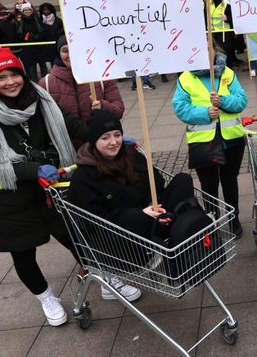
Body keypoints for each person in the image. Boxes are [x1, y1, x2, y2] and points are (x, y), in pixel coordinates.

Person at [0, 39, 95, 326]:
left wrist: (105, 138)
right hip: (7, 197)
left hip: (49, 189)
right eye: (2, 77)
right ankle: (46, 297)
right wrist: (32, 169)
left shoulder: (42, 100)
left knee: (77, 235)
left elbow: (71, 124)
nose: (11, 82)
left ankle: (103, 273)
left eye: (15, 74)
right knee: (23, 253)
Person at [68, 110, 195, 296]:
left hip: (154, 223)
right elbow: (94, 222)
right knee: (136, 216)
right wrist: (142, 214)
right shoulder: (84, 177)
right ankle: (167, 241)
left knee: (183, 180)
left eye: (117, 135)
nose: (113, 142)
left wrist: (157, 206)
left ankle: (180, 234)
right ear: (94, 141)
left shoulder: (133, 157)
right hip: (123, 240)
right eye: (105, 137)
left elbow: (158, 185)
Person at [173, 52, 248, 237]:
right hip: (203, 141)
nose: (206, 53)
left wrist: (223, 101)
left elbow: (241, 100)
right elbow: (180, 108)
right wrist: (205, 113)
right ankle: (212, 222)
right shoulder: (186, 77)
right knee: (209, 185)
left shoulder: (227, 73)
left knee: (230, 181)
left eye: (209, 48)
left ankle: (233, 218)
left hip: (232, 140)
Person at [42, 36, 124, 142]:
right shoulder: (47, 83)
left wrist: (103, 106)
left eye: (74, 49)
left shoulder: (102, 77)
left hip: (100, 149)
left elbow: (119, 111)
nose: (70, 55)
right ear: (59, 53)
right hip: (67, 151)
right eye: (65, 50)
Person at [16, 3, 49, 81]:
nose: (27, 11)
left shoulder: (37, 19)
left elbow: (44, 31)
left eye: (29, 10)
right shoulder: (20, 22)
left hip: (39, 47)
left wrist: (37, 37)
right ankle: (35, 84)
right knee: (32, 68)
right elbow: (18, 34)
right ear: (22, 12)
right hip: (28, 48)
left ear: (31, 11)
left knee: (43, 66)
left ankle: (45, 82)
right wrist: (27, 37)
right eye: (25, 10)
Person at [209, 0, 239, 68]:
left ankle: (230, 71)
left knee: (227, 54)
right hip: (214, 34)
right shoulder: (209, 6)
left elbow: (234, 18)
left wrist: (227, 18)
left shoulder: (226, 5)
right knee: (216, 54)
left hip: (225, 33)